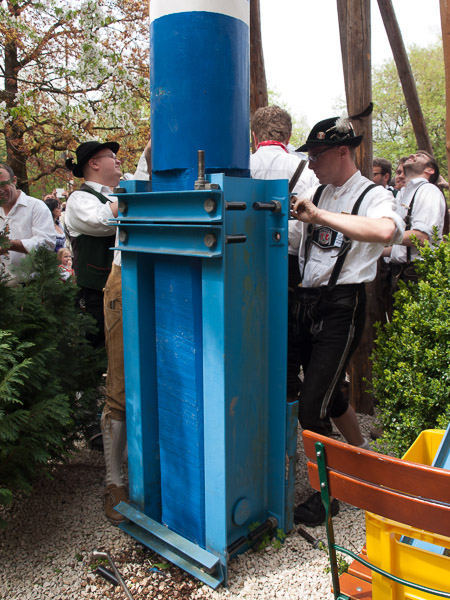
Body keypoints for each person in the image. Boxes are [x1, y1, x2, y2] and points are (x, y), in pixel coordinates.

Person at [289, 115, 405, 526]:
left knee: (311, 407)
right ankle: (364, 458)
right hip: (306, 301)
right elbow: (295, 242)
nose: (311, 163)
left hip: (342, 305)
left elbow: (386, 232)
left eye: (317, 155)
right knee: (329, 392)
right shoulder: (316, 191)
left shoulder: (374, 195)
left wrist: (319, 216)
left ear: (342, 151)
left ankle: (329, 495)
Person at [250, 105, 317, 403]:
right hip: (290, 267)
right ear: (288, 137)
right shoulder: (306, 171)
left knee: (251, 334)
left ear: (254, 136)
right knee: (287, 341)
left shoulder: (242, 166)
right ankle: (287, 407)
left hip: (245, 261)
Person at [64, 141, 120, 348]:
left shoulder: (114, 194)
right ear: (94, 163)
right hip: (96, 292)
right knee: (98, 348)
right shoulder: (79, 198)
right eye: (112, 156)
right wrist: (132, 198)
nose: (118, 161)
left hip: (124, 287)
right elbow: (104, 221)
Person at [384, 150, 447, 282]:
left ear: (430, 170)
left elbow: (421, 238)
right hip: (398, 272)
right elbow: (401, 250)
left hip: (416, 274)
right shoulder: (403, 194)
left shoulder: (428, 191)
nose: (412, 155)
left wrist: (378, 234)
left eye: (420, 156)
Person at [0, 164, 56, 285]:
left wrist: (10, 245)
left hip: (32, 286)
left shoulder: (36, 207)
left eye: (3, 184)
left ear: (14, 180)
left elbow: (46, 244)